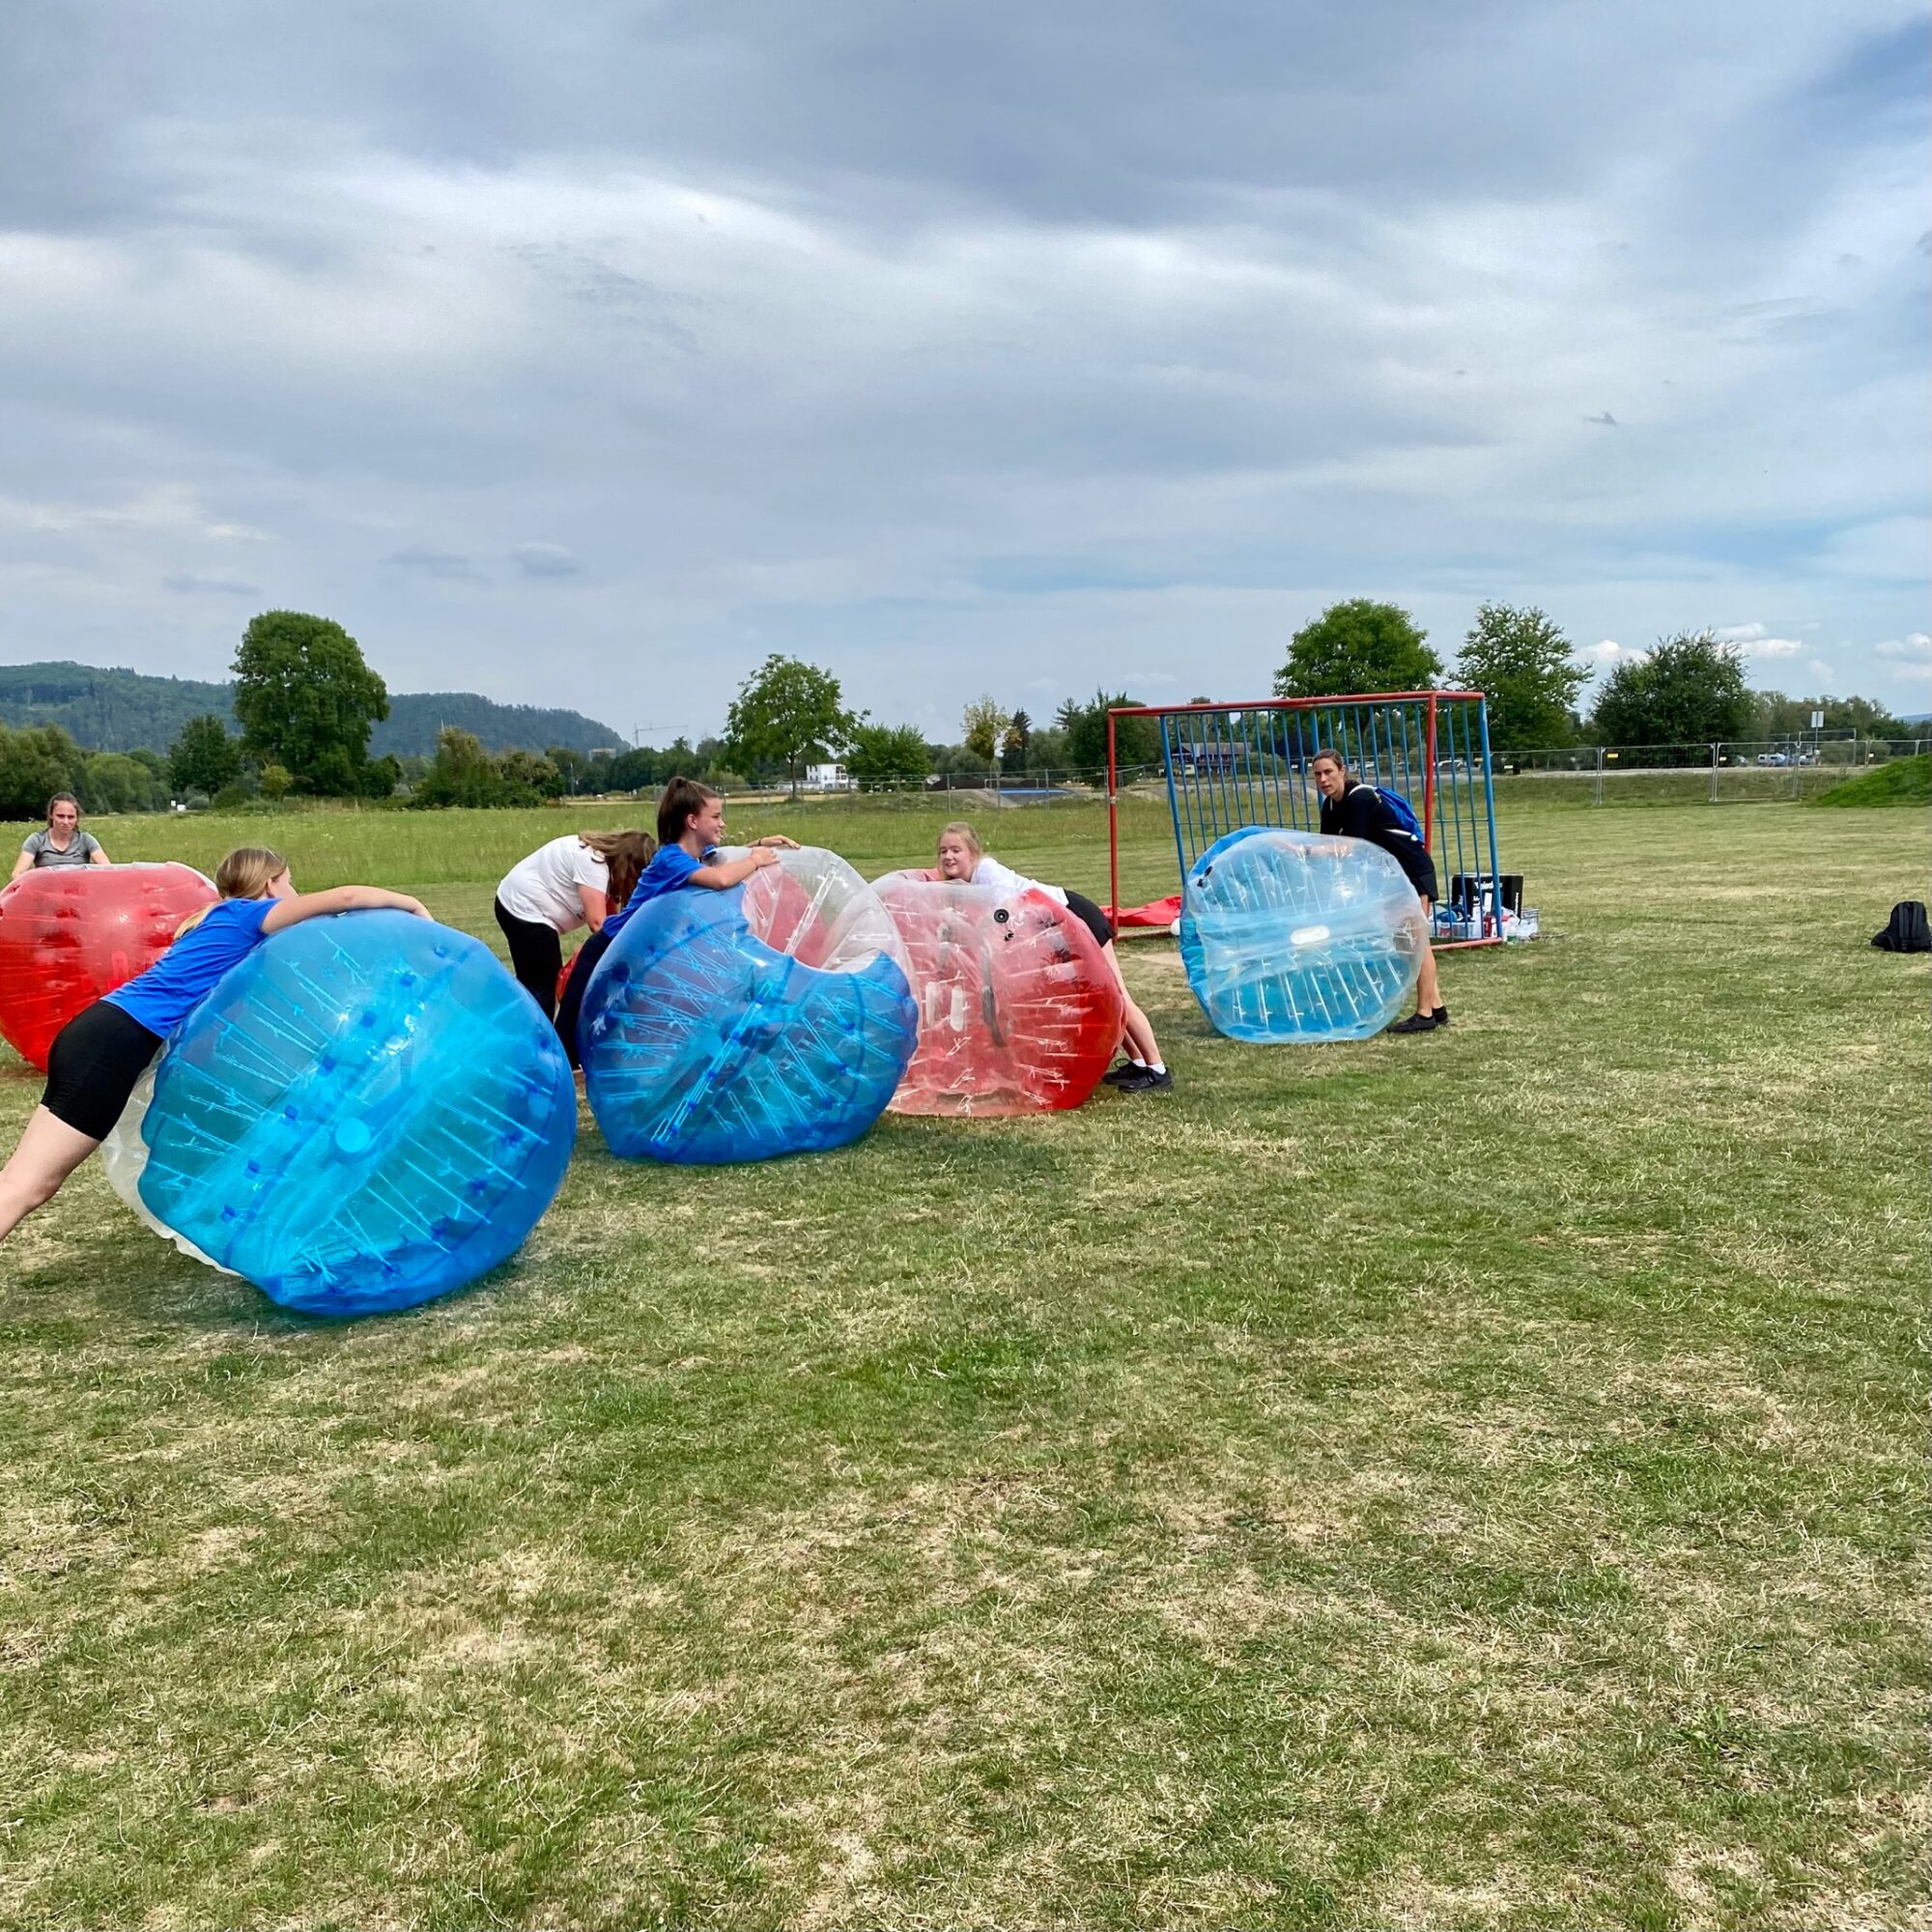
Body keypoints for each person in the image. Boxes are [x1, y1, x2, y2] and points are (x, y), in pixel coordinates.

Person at [0, 846, 429, 1244]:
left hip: (99, 1032)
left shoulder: (215, 921)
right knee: (30, 1185)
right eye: (289, 881)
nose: (293, 892)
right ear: (270, 885)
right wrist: (411, 906)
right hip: (113, 1043)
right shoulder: (247, 915)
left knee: (17, 1180)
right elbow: (348, 897)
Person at [554, 779, 800, 1065]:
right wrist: (756, 860)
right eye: (717, 817)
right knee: (570, 1028)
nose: (723, 824)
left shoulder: (692, 857)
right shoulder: (670, 858)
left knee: (616, 1020)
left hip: (637, 954)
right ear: (692, 821)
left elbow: (721, 861)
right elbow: (720, 878)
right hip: (609, 948)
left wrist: (756, 846)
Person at [923, 820, 1172, 1094]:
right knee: (1105, 999)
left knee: (1118, 995)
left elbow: (1008, 910)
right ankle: (1138, 1062)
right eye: (943, 851)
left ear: (972, 852)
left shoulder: (987, 872)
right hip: (1057, 932)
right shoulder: (965, 884)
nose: (948, 856)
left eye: (956, 850)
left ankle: (1157, 1069)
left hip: (1077, 918)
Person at [1309, 748, 1446, 1034]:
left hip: (1412, 870)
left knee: (1416, 941)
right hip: (1390, 876)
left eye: (1328, 772)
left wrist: (1304, 849)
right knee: (1404, 942)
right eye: (1317, 774)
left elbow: (1349, 848)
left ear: (1342, 771)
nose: (1323, 779)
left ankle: (1425, 1015)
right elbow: (1330, 846)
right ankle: (1437, 1007)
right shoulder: (1330, 807)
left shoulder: (1360, 797)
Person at [494, 831, 654, 1020]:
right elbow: (598, 924)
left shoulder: (605, 866)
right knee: (543, 987)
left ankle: (524, 1026)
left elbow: (614, 919)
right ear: (627, 862)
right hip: (524, 908)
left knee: (537, 982)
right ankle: (534, 1037)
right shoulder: (594, 862)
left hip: (524, 906)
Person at [12, 794, 111, 877]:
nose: (66, 822)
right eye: (60, 816)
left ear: (77, 819)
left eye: (71, 817)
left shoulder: (86, 840)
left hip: (78, 894)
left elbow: (108, 870)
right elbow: (17, 874)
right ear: (51, 815)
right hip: (46, 894)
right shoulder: (37, 840)